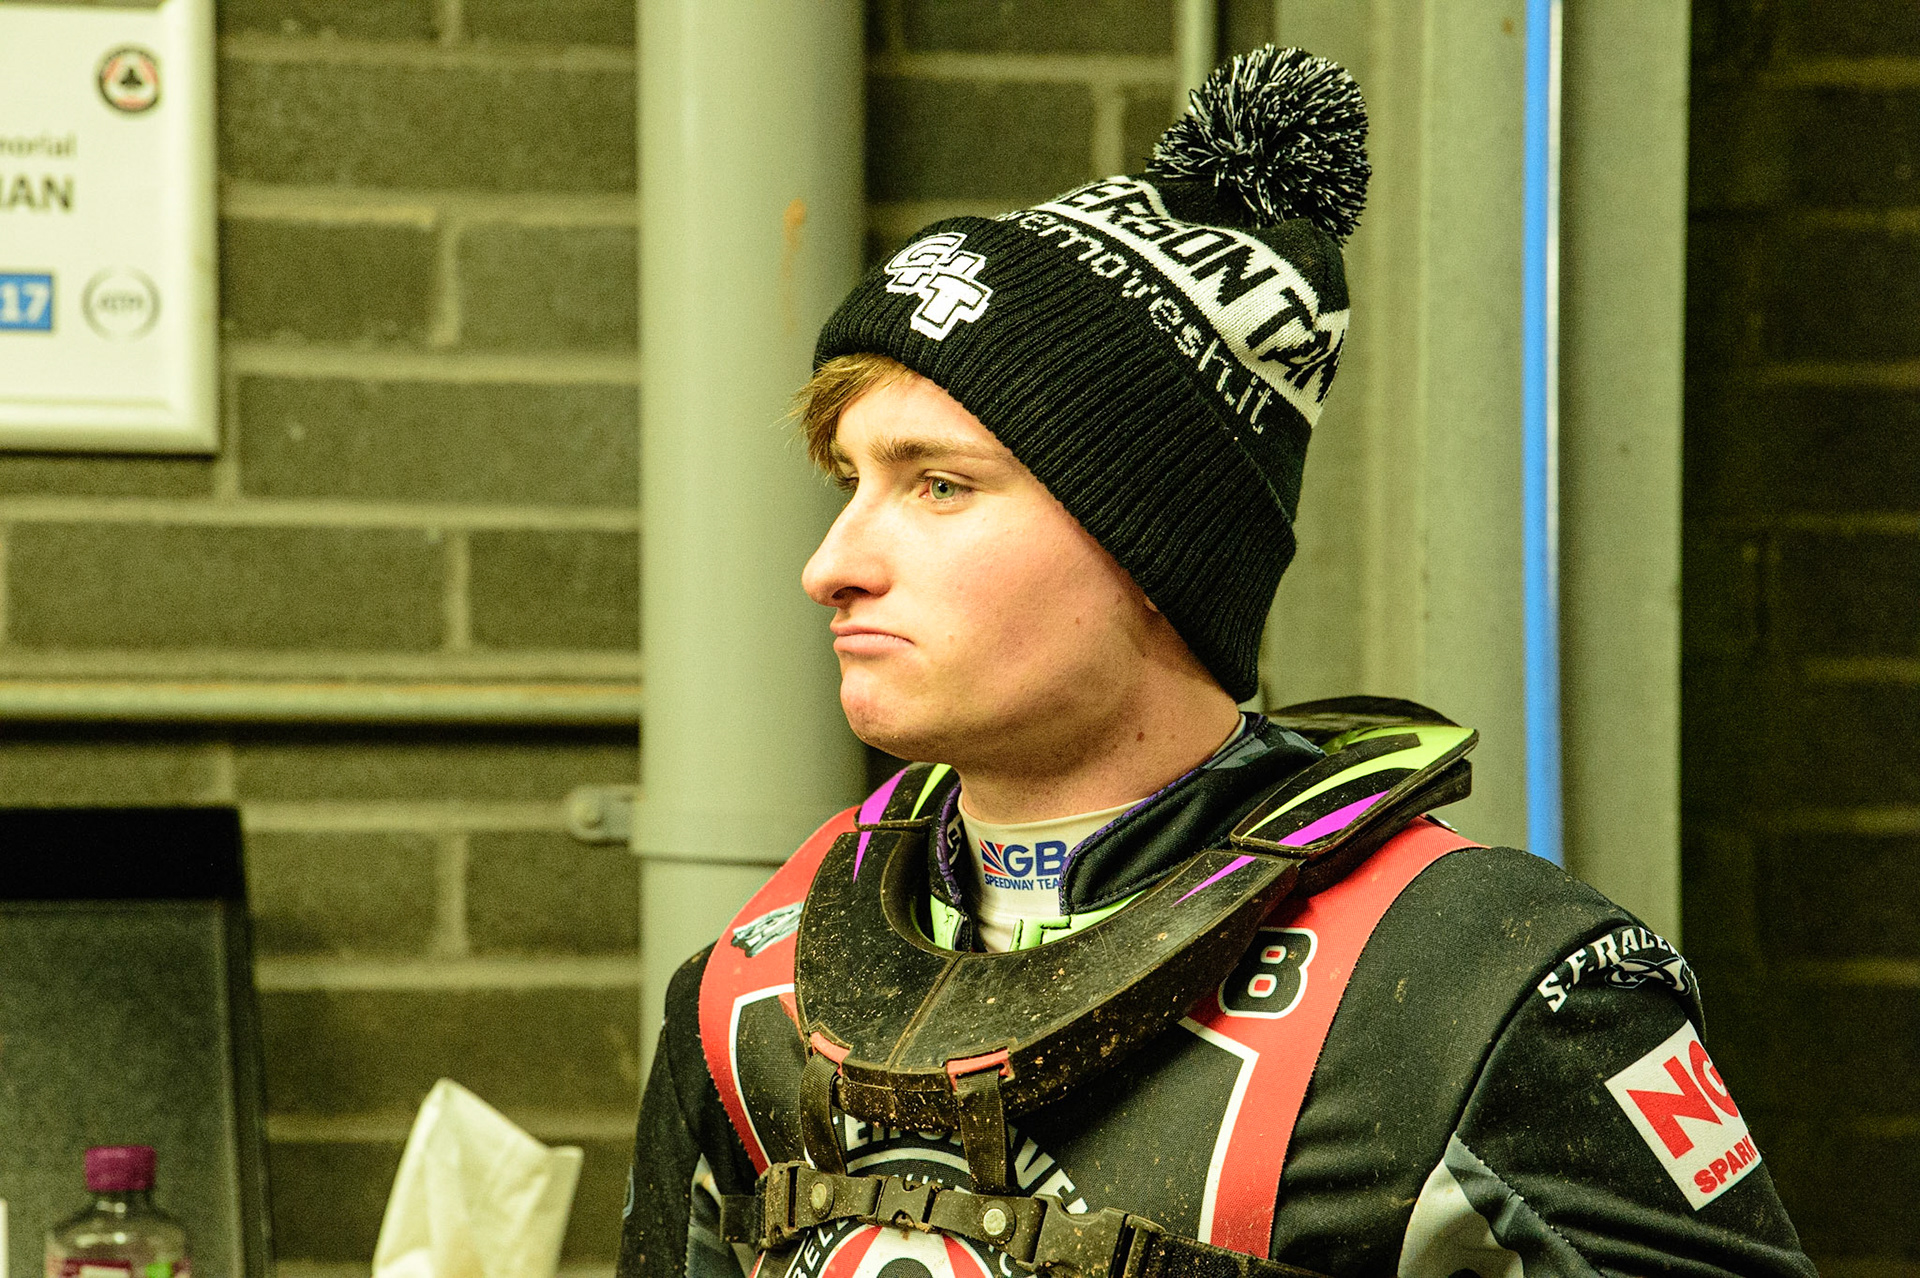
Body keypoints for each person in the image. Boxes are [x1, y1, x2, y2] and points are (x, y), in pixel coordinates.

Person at [618, 47, 1814, 1278]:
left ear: (1151, 544)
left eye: (938, 485)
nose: (832, 564)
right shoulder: (750, 997)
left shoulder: (1490, 989)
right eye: (849, 482)